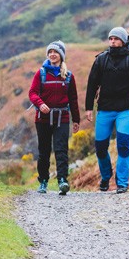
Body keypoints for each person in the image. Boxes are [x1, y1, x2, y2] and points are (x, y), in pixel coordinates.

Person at [84, 26, 129, 193]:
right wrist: (88, 108)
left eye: (116, 39)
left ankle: (122, 183)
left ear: (124, 41)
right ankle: (105, 177)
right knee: (100, 147)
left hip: (125, 110)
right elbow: (92, 84)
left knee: (124, 145)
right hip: (104, 110)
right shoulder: (101, 60)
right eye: (110, 38)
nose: (112, 41)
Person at [27, 41, 80, 195]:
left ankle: (62, 180)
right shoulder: (41, 73)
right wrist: (40, 103)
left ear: (61, 55)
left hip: (61, 118)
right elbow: (32, 93)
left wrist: (76, 120)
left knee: (61, 150)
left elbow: (73, 99)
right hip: (42, 118)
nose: (52, 54)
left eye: (55, 52)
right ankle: (43, 181)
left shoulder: (68, 76)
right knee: (44, 151)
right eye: (50, 52)